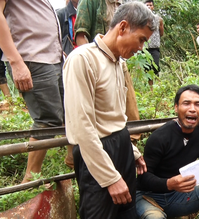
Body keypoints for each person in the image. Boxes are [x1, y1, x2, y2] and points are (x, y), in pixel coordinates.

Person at [63, 2, 156, 218]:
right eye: (141, 39)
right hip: (96, 151)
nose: (141, 47)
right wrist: (109, 177)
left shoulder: (118, 63)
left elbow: (115, 117)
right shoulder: (82, 59)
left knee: (126, 212)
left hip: (121, 144)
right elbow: (82, 127)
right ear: (122, 27)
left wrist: (130, 150)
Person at [136, 84, 199, 219]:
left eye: (198, 104)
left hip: (178, 196)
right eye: (186, 103)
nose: (192, 109)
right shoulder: (160, 137)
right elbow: (143, 179)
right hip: (148, 197)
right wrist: (169, 183)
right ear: (176, 107)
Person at [0, 0, 67, 183]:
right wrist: (16, 62)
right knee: (48, 119)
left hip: (51, 57)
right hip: (31, 56)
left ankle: (72, 162)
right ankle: (30, 179)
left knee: (67, 113)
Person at [74, 0, 142, 143]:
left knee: (128, 108)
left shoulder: (122, 4)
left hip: (118, 61)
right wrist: (94, 61)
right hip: (98, 63)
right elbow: (81, 36)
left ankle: (129, 145)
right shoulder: (90, 2)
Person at [144, 0, 164, 86]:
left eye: (150, 5)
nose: (149, 7)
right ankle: (151, 88)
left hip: (155, 47)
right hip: (145, 49)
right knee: (147, 68)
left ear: (153, 7)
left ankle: (159, 86)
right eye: (147, 5)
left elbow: (161, 33)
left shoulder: (158, 19)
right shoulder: (141, 20)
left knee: (156, 66)